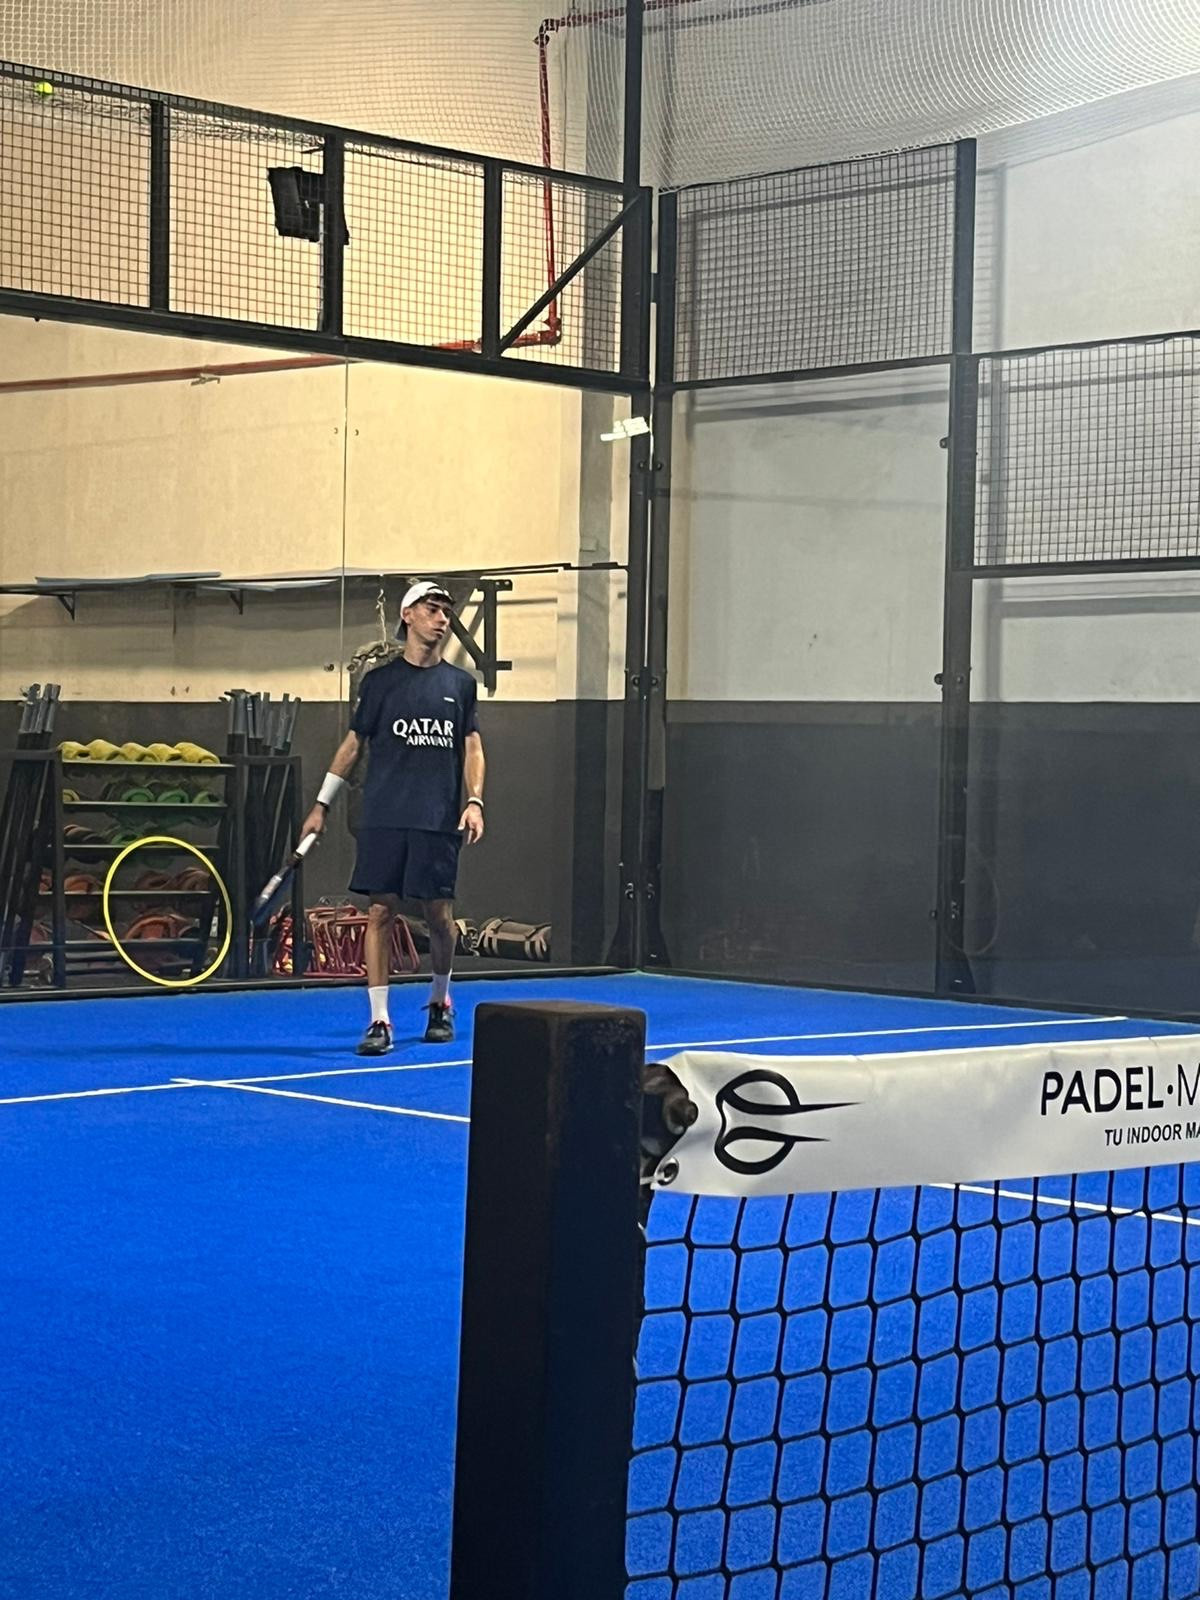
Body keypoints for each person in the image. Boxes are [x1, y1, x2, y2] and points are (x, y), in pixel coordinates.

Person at [301, 580, 485, 1054]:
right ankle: (379, 1020)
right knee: (380, 912)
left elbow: (472, 746)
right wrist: (321, 805)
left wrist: (474, 801)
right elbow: (353, 744)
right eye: (432, 609)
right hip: (383, 815)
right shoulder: (379, 683)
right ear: (408, 615)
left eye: (446, 611)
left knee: (439, 916)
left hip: (437, 818)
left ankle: (440, 1002)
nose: (442, 619)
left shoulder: (460, 685)